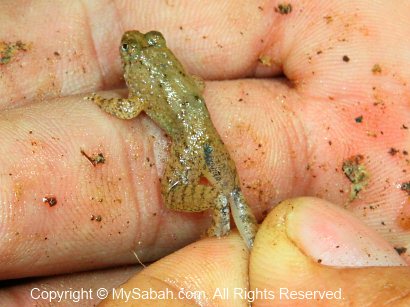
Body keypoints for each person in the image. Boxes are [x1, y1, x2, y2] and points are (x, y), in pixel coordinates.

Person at [0, 1, 409, 305]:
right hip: (203, 133)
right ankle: (224, 220)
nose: (132, 48)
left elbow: (127, 108)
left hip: (193, 143)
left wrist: (98, 101)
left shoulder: (142, 88)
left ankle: (218, 228)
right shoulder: (176, 78)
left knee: (183, 193)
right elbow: (194, 85)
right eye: (134, 51)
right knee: (231, 192)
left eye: (137, 51)